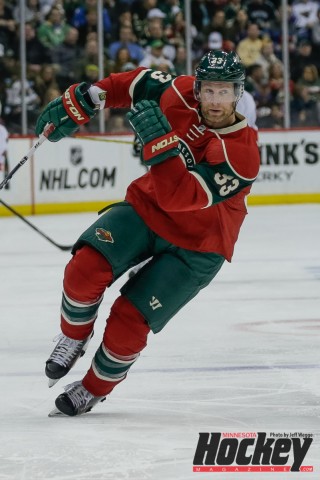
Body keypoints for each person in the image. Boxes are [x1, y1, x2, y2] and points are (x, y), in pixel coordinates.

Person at [35, 50, 260, 417]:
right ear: (198, 88)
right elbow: (137, 83)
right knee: (84, 269)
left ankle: (92, 388)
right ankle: (74, 336)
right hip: (147, 209)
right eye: (209, 91)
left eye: (225, 92)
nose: (215, 101)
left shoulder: (241, 153)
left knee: (129, 321)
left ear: (238, 94)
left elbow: (179, 196)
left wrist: (158, 144)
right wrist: (91, 97)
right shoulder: (180, 93)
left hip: (200, 245)